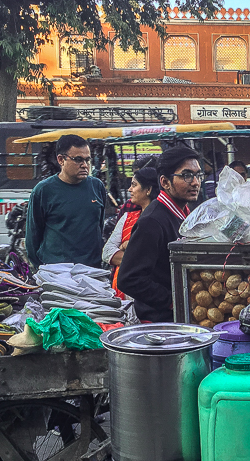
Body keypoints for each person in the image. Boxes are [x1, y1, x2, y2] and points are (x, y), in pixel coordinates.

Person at [116, 147, 203, 323]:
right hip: (160, 324)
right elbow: (129, 279)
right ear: (165, 182)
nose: (195, 182)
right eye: (186, 175)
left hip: (182, 317)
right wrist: (173, 300)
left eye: (197, 175)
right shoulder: (152, 221)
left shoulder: (185, 212)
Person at [25, 134, 106, 271]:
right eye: (78, 160)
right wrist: (41, 268)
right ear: (61, 160)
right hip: (56, 272)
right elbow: (33, 236)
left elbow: (99, 225)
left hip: (92, 270)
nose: (84, 165)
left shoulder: (97, 186)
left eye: (87, 160)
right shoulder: (44, 191)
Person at [103, 167, 159, 297]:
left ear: (148, 190)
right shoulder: (128, 218)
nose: (129, 190)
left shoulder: (161, 220)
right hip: (123, 294)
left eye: (134, 185)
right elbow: (107, 253)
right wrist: (140, 261)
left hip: (149, 294)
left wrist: (125, 248)